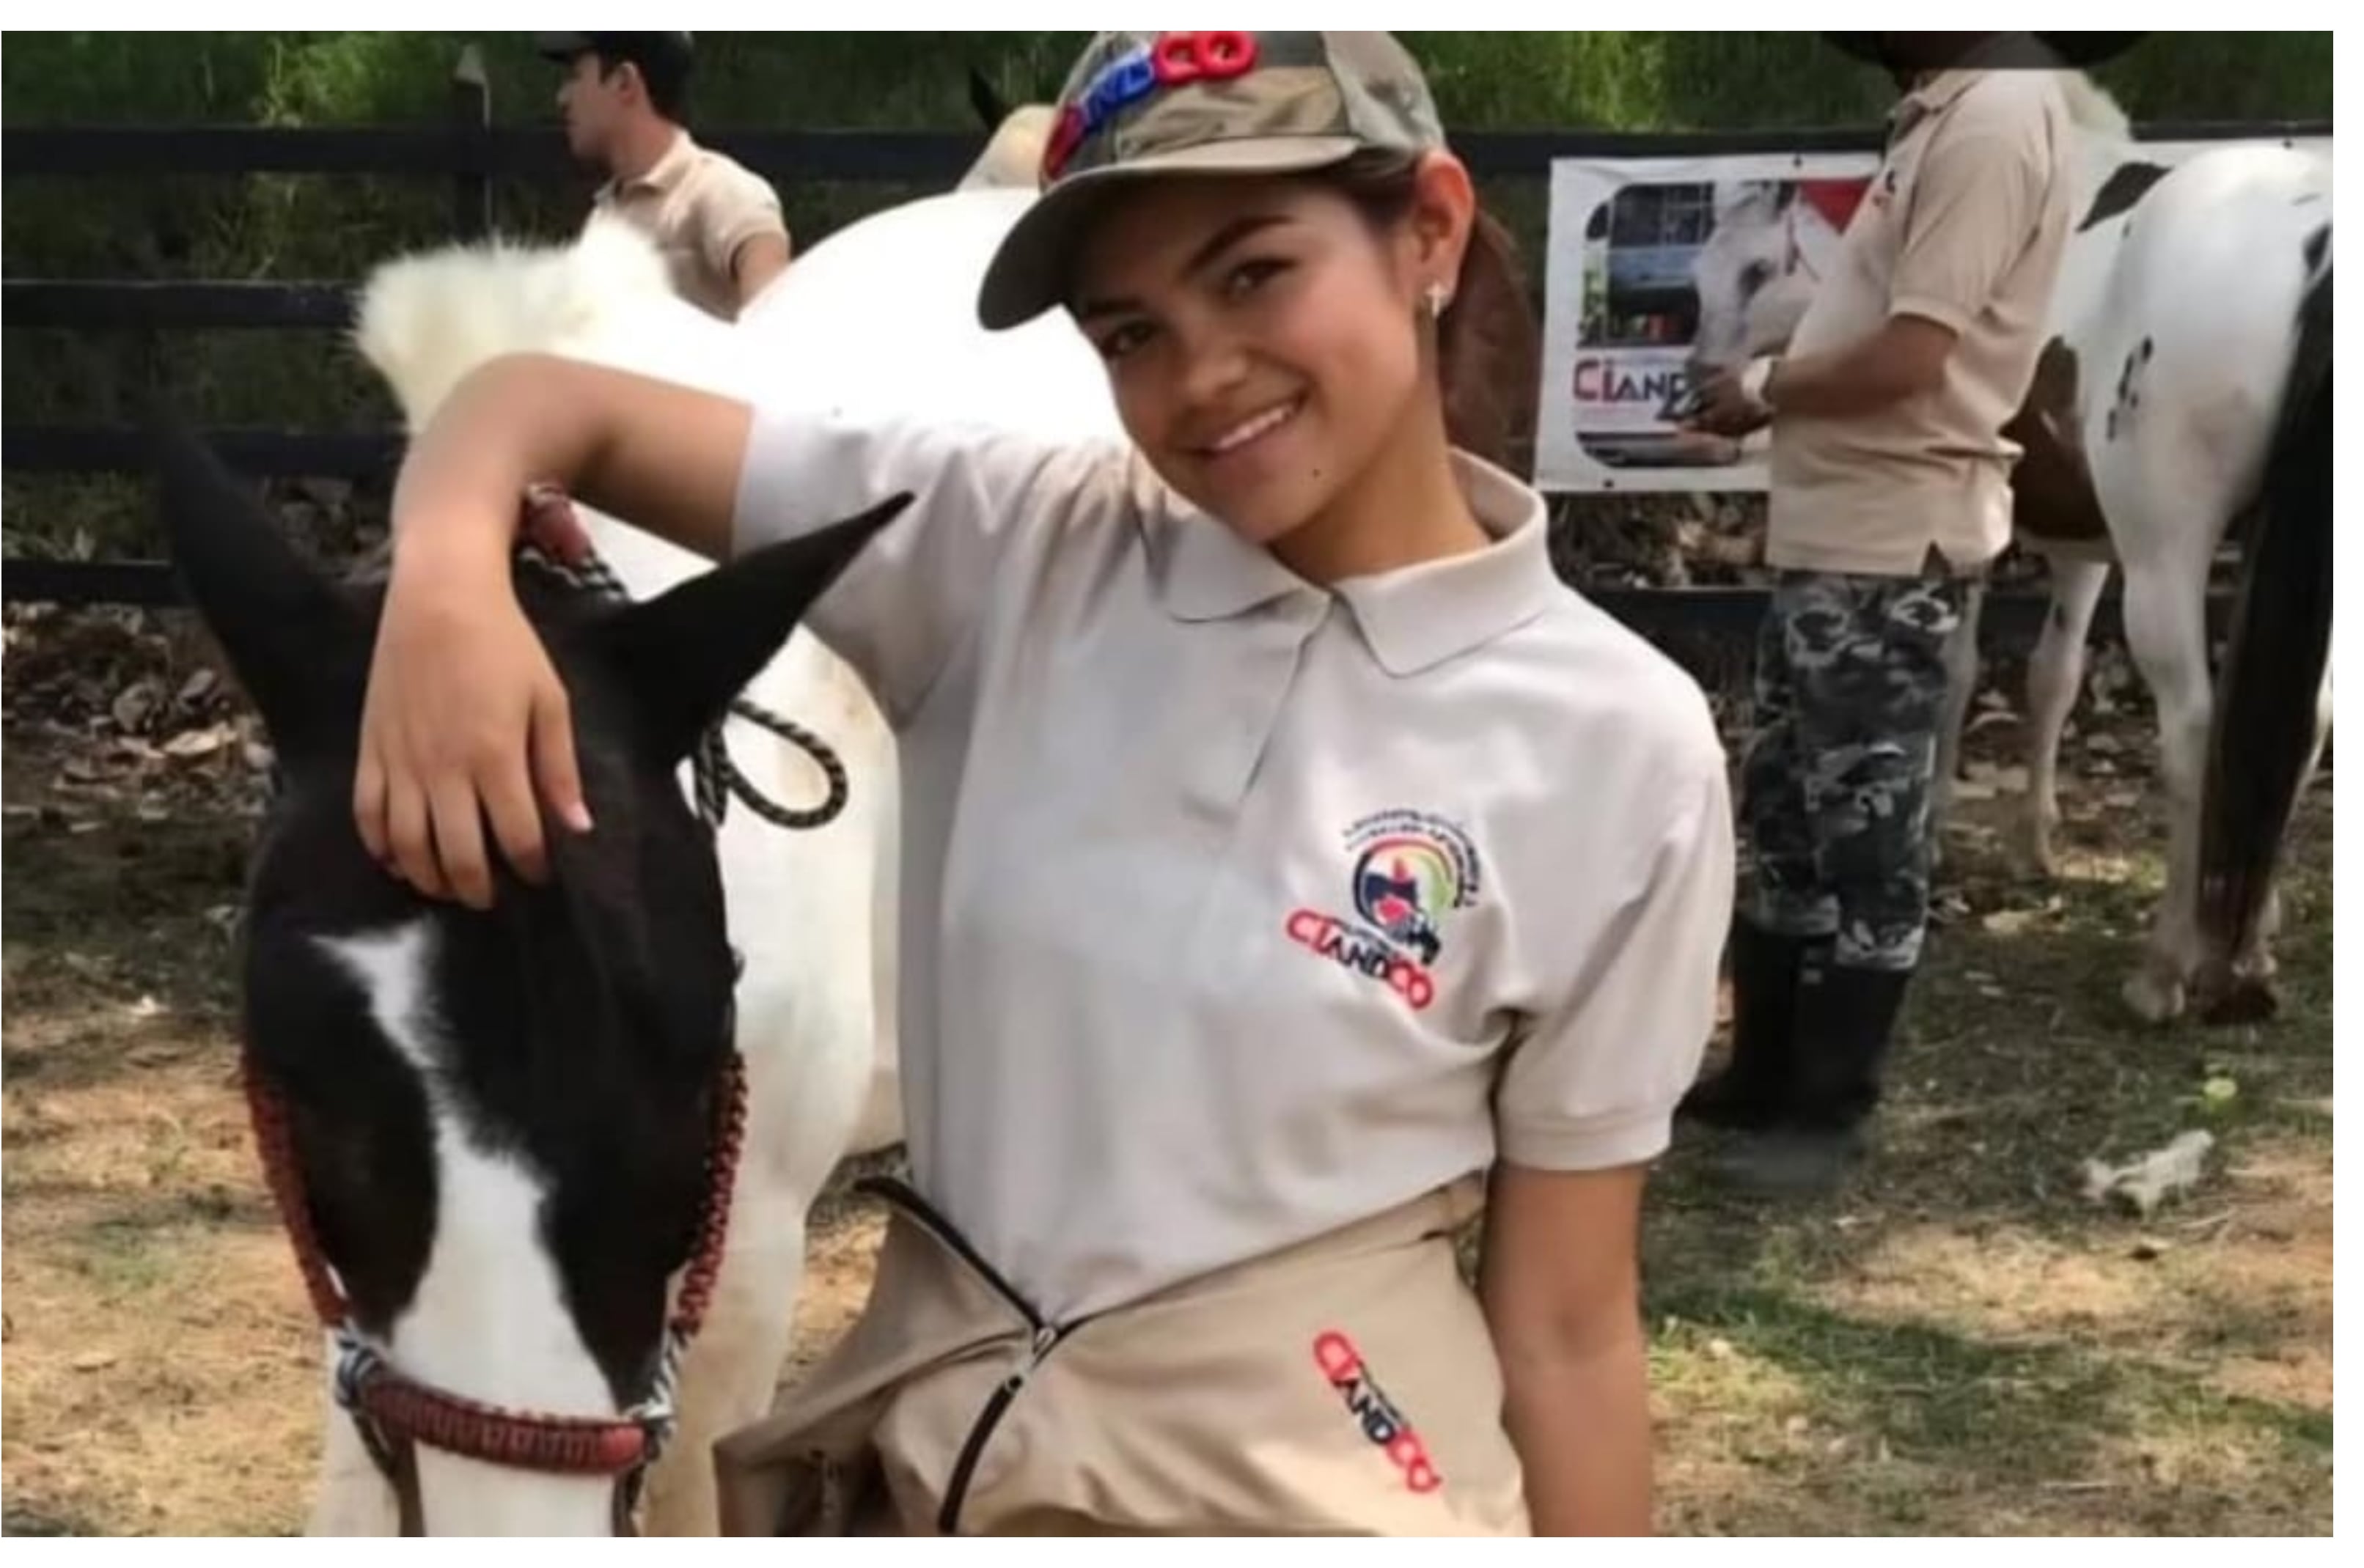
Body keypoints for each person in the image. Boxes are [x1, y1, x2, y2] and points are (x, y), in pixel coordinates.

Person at [357, 31, 1734, 1536]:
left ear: (1431, 230)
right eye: (1129, 330)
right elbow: (543, 402)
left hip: (1321, 1486)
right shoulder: (1008, 551)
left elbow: (1568, 1322)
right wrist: (445, 584)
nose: (1203, 373)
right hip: (960, 1458)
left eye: (1256, 271)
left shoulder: (1619, 748)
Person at [1677, 33, 2088, 1194]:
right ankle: (1766, 1069)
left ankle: (1830, 1108)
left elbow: (1914, 354)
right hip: (1836, 523)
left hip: (1889, 532)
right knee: (1789, 805)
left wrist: (1760, 390)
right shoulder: (1948, 111)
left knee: (1868, 825)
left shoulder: (1996, 119)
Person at [540, 31, 791, 320]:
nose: (562, 98)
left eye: (575, 76)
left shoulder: (719, 189)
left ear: (624, 83)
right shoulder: (603, 216)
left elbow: (775, 319)